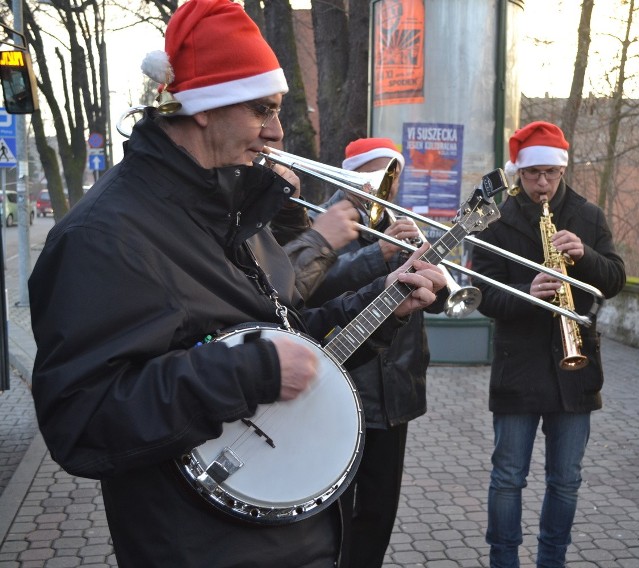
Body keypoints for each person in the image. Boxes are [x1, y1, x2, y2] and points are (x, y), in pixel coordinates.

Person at [26, 1, 445, 566]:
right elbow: (81, 418)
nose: (275, 132)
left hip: (290, 535)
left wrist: (385, 300)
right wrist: (250, 372)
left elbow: (285, 336)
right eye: (262, 110)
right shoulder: (103, 236)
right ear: (204, 108)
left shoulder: (232, 207)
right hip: (200, 547)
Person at [471, 121, 626, 568]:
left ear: (562, 171)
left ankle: (551, 560)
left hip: (574, 368)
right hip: (518, 364)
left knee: (566, 480)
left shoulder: (588, 216)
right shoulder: (497, 220)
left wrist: (587, 256)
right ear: (519, 172)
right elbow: (483, 293)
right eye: (533, 173)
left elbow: (613, 279)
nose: (542, 183)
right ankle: (504, 560)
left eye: (551, 174)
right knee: (507, 478)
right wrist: (527, 292)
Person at [305, 137, 444, 568]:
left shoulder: (402, 221)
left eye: (394, 172)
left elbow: (430, 299)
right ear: (353, 173)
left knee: (380, 510)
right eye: (380, 171)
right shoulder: (319, 223)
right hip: (344, 386)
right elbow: (311, 287)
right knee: (335, 512)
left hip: (394, 391)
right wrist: (378, 253)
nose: (389, 181)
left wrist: (433, 281)